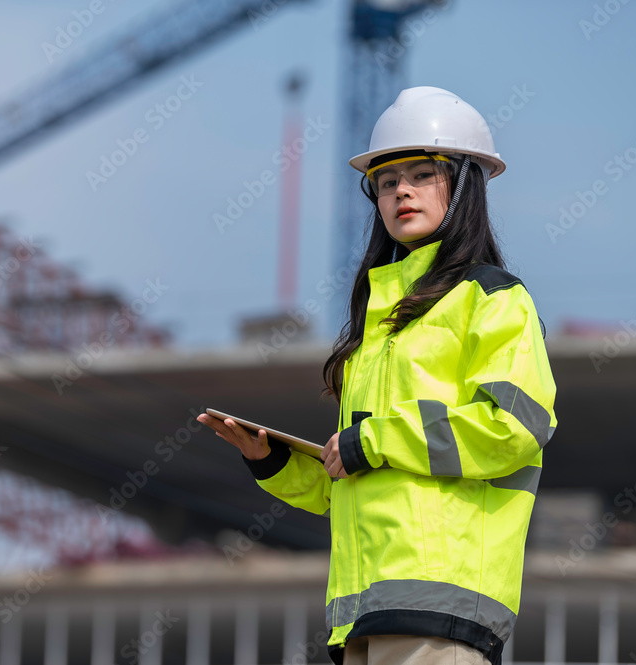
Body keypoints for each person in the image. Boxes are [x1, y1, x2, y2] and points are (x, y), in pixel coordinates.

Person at [197, 86, 558, 665]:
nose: (402, 192)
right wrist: (272, 461)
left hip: (442, 604)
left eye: (422, 175)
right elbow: (363, 481)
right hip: (365, 611)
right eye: (387, 183)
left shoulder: (492, 298)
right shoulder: (380, 326)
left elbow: (511, 427)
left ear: (465, 185)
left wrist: (374, 440)